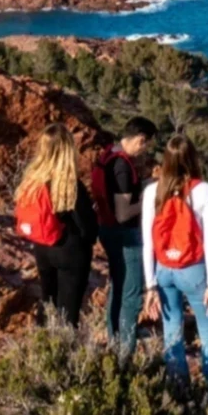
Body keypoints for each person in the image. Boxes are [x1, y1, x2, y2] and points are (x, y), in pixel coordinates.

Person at [140, 134, 208, 401]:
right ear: (193, 158)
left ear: (164, 161)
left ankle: (179, 393)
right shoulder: (205, 191)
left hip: (164, 270)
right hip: (195, 270)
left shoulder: (151, 192)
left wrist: (150, 285)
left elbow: (148, 243)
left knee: (172, 333)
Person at [14, 123, 98, 326]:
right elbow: (88, 228)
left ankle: (42, 345)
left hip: (43, 247)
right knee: (68, 313)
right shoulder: (69, 184)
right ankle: (63, 352)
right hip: (71, 251)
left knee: (48, 301)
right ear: (67, 150)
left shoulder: (32, 179)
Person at [92, 117, 156, 355]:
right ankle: (125, 351)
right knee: (131, 292)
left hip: (105, 229)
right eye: (146, 144)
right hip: (124, 234)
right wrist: (150, 198)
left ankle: (114, 337)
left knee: (118, 286)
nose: (145, 149)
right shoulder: (122, 166)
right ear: (140, 139)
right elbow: (123, 212)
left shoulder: (108, 155)